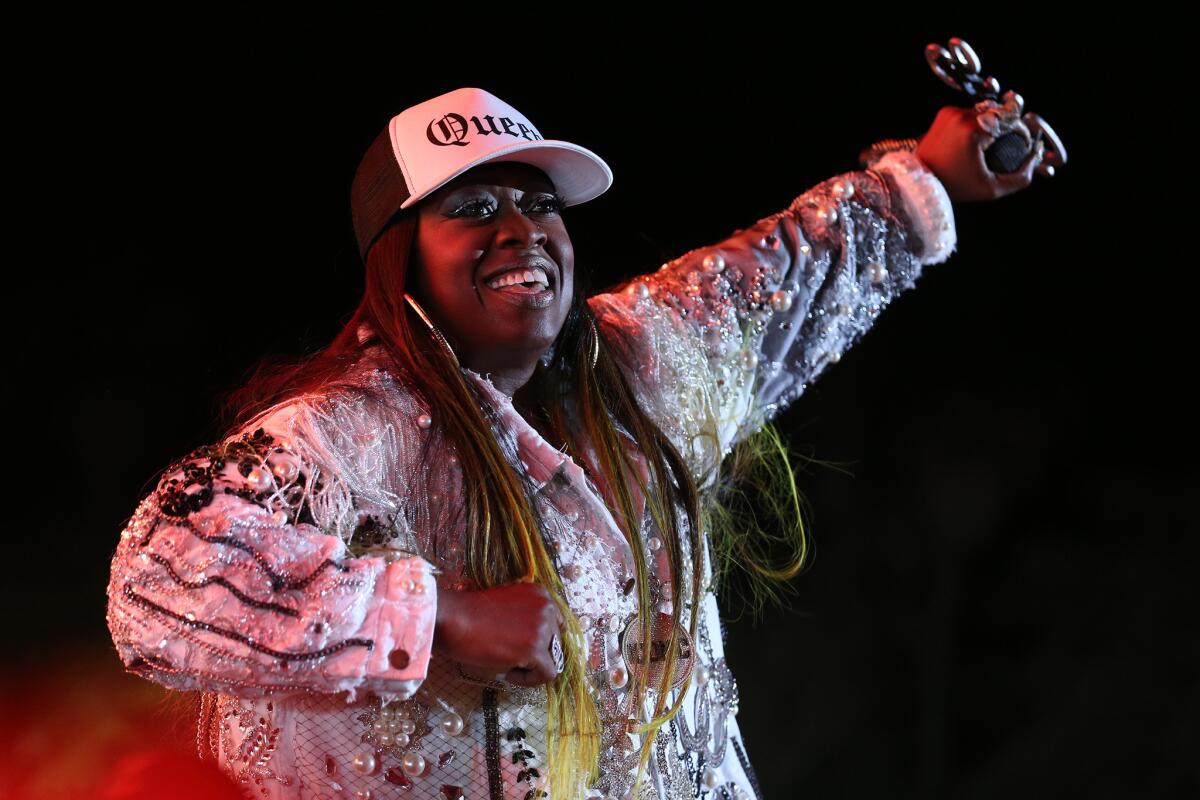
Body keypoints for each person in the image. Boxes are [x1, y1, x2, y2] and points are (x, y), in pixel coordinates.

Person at [106, 87, 1044, 800]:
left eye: (537, 203)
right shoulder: (344, 435)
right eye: (471, 208)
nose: (521, 228)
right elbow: (157, 574)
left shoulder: (640, 360)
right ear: (399, 258)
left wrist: (926, 176)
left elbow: (781, 275)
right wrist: (433, 621)